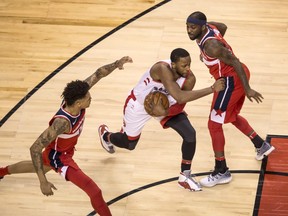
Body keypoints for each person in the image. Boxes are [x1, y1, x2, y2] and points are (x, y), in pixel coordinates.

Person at [0, 56, 133, 216]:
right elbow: (35, 148)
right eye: (88, 99)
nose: (91, 99)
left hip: (61, 150)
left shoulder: (78, 96)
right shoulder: (62, 123)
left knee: (39, 164)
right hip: (59, 157)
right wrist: (42, 182)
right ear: (78, 103)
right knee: (94, 191)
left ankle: (1, 172)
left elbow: (98, 73)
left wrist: (116, 64)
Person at [98, 48, 225, 192]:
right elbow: (180, 96)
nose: (188, 68)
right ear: (173, 65)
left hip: (165, 107)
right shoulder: (161, 68)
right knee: (129, 144)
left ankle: (185, 176)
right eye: (184, 65)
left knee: (190, 135)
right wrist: (212, 89)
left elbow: (179, 105)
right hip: (139, 105)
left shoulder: (190, 79)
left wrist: (164, 112)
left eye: (189, 64)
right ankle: (106, 136)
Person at [186, 11, 275, 187]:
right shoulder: (210, 29)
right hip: (233, 78)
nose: (189, 30)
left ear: (202, 27)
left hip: (230, 81)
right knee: (231, 116)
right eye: (188, 26)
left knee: (214, 123)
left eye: (193, 27)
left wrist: (247, 88)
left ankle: (222, 170)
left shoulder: (211, 46)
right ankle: (261, 145)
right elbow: (223, 27)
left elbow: (234, 61)